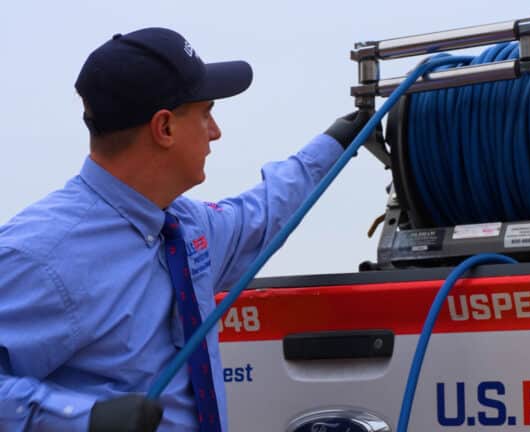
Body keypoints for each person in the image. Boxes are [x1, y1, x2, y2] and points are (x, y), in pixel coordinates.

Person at [0, 27, 368, 431]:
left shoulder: (186, 227)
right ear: (165, 129)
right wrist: (83, 420)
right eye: (206, 113)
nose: (215, 131)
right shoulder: (40, 254)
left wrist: (338, 142)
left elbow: (262, 212)